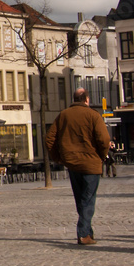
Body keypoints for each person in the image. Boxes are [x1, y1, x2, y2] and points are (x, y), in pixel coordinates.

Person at [45, 88, 110, 246]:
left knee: (81, 200)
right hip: (91, 164)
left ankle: (88, 232)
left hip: (72, 163)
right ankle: (83, 234)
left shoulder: (64, 115)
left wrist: (59, 158)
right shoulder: (94, 115)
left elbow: (49, 138)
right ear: (86, 99)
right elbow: (104, 139)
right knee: (88, 200)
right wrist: (101, 156)